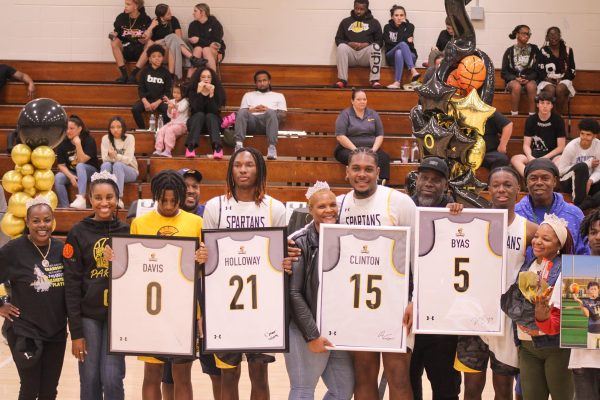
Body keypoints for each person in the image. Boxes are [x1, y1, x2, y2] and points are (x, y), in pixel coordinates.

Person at [203, 147, 287, 400]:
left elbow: (280, 258)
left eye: (249, 164)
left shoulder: (275, 208)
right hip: (225, 305)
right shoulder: (215, 207)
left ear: (259, 169)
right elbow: (207, 260)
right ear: (230, 170)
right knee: (229, 374)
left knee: (259, 374)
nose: (242, 169)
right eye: (237, 164)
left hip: (263, 305)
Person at [336, 147, 415, 399]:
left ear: (378, 172)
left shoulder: (399, 202)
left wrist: (415, 299)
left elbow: (419, 256)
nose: (362, 174)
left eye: (368, 169)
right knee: (364, 375)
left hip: (396, 304)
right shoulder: (338, 205)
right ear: (347, 172)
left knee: (398, 375)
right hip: (357, 304)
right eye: (356, 169)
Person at [455, 167, 537, 400]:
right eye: (496, 185)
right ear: (488, 189)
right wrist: (453, 212)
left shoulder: (528, 229)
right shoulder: (472, 222)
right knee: (471, 388)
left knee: (503, 389)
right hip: (473, 315)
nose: (502, 189)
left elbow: (555, 251)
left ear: (518, 190)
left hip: (507, 318)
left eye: (508, 185)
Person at [130, 170, 204, 400]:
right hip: (151, 309)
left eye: (174, 200)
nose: (169, 205)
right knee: (152, 373)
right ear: (155, 197)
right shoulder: (140, 224)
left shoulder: (196, 223)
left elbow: (204, 269)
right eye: (164, 200)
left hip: (185, 309)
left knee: (182, 374)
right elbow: (132, 269)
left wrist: (204, 257)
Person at [63, 171, 130, 400]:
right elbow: (71, 285)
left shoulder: (127, 232)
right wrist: (76, 333)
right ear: (90, 198)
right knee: (90, 379)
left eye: (109, 197)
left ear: (117, 198)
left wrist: (119, 261)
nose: (104, 202)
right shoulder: (77, 232)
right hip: (88, 316)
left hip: (118, 317)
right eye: (98, 197)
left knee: (112, 378)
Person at [285, 181, 354, 400]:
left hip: (336, 327)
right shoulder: (297, 242)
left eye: (332, 205)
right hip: (304, 328)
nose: (329, 210)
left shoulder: (348, 236)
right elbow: (294, 293)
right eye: (321, 206)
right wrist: (311, 334)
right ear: (310, 210)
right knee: (304, 389)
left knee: (343, 390)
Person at [502, 214, 575, 400]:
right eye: (536, 236)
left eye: (546, 238)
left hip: (556, 348)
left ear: (559, 245)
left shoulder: (568, 269)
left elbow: (570, 317)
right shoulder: (527, 265)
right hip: (527, 347)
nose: (537, 241)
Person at [0, 197, 67, 400]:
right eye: (36, 221)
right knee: (30, 388)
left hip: (56, 331)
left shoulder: (60, 249)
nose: (42, 226)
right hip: (24, 331)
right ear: (27, 222)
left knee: (49, 391)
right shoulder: (13, 250)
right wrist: (1, 304)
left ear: (53, 221)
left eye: (47, 220)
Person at [409, 157, 462, 400]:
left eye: (436, 180)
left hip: (443, 316)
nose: (429, 184)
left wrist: (459, 216)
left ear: (446, 185)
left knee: (445, 386)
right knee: (407, 383)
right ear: (416, 180)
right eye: (425, 178)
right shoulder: (403, 210)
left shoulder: (456, 215)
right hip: (406, 312)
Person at [515, 158, 589, 258]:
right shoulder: (515, 214)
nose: (539, 182)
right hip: (522, 273)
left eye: (545, 178)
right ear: (526, 182)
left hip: (566, 272)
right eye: (533, 178)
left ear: (554, 181)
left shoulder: (574, 214)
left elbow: (586, 253)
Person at [567, 210, 600, 399]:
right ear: (587, 237)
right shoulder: (574, 268)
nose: (598, 237)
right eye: (593, 232)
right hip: (583, 359)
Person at [334, 89, 390, 182]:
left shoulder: (373, 114)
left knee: (384, 157)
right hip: (348, 149)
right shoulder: (345, 114)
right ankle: (359, 182)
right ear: (352, 101)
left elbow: (380, 135)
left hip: (370, 148)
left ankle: (381, 183)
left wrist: (373, 150)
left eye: (364, 99)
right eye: (359, 99)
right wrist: (356, 150)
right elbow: (340, 136)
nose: (362, 102)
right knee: (358, 158)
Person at [233, 70, 287, 160]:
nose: (262, 83)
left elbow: (283, 116)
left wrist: (268, 110)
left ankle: (272, 148)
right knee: (241, 111)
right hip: (251, 122)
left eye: (264, 80)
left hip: (268, 124)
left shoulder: (279, 96)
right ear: (256, 83)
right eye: (259, 81)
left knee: (271, 112)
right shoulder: (248, 95)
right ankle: (238, 145)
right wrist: (251, 110)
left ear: (269, 81)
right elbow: (242, 114)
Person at [510, 92, 566, 178]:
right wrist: (529, 156)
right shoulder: (531, 120)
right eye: (542, 103)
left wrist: (546, 157)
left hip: (551, 157)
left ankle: (548, 180)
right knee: (515, 159)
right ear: (537, 105)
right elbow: (526, 145)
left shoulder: (558, 120)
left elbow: (561, 147)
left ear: (551, 106)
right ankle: (529, 177)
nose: (545, 106)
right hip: (533, 156)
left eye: (548, 103)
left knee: (562, 160)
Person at [333, 0, 383, 89]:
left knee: (376, 46)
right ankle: (342, 80)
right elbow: (338, 39)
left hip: (365, 56)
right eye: (356, 8)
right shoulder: (345, 22)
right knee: (341, 47)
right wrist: (349, 43)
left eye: (362, 9)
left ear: (367, 9)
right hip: (350, 55)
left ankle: (374, 81)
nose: (358, 11)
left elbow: (380, 41)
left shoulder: (374, 22)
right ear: (354, 7)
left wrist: (367, 44)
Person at [54, 115, 100, 209]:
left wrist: (78, 144)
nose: (68, 131)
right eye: (67, 128)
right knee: (58, 177)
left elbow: (82, 160)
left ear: (79, 129)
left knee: (80, 166)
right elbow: (61, 165)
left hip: (91, 172)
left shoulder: (88, 140)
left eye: (72, 128)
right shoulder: (63, 143)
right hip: (74, 172)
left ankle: (81, 198)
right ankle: (65, 207)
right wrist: (71, 177)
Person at [558, 118, 600, 209]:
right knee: (582, 167)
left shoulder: (598, 146)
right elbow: (560, 171)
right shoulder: (571, 147)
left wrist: (590, 180)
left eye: (588, 135)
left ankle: (581, 207)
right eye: (582, 134)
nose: (584, 137)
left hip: (587, 182)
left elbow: (598, 171)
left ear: (594, 136)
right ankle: (577, 204)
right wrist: (587, 164)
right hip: (567, 181)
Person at [185, 67, 225, 159]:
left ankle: (217, 148)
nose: (206, 79)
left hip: (213, 124)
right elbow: (196, 109)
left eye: (208, 77)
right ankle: (191, 147)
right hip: (196, 123)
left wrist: (211, 95)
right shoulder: (193, 91)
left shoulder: (217, 90)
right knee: (200, 114)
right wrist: (199, 92)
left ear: (212, 79)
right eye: (203, 77)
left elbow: (214, 111)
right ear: (199, 78)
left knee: (210, 116)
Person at [100, 116, 139, 209]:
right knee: (105, 165)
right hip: (114, 171)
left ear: (123, 128)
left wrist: (115, 156)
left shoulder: (130, 138)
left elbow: (128, 160)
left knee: (118, 165)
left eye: (118, 127)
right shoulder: (106, 138)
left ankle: (118, 198)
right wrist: (111, 156)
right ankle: (103, 196)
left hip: (130, 171)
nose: (115, 130)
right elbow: (104, 159)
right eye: (112, 127)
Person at [501, 25, 540, 116]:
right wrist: (515, 78)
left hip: (529, 79)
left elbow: (538, 69)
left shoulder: (534, 50)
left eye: (529, 34)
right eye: (524, 33)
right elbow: (504, 72)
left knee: (531, 86)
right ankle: (514, 115)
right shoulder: (509, 51)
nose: (527, 36)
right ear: (517, 34)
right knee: (517, 86)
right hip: (513, 80)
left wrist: (528, 78)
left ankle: (532, 116)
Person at [110, 0, 152, 83]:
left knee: (150, 43)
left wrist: (144, 38)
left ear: (136, 6)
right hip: (126, 49)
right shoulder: (121, 17)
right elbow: (116, 32)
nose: (125, 6)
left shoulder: (145, 19)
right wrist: (113, 35)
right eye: (125, 4)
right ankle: (124, 75)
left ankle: (133, 74)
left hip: (140, 52)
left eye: (128, 4)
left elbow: (147, 38)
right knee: (114, 42)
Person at [131, 44, 172, 129]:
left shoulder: (166, 72)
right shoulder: (144, 71)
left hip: (160, 101)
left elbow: (167, 91)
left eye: (159, 56)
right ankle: (142, 129)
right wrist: (145, 102)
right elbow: (141, 89)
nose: (157, 58)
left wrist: (158, 102)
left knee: (167, 109)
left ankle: (164, 129)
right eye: (154, 56)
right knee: (135, 109)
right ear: (149, 59)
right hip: (147, 99)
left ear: (162, 58)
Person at [537, 27, 576, 116]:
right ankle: (548, 116)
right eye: (551, 34)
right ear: (547, 37)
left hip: (563, 79)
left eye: (556, 34)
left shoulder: (568, 50)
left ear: (560, 36)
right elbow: (539, 69)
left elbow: (572, 69)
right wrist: (547, 79)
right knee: (550, 89)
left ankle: (558, 116)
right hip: (547, 79)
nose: (553, 37)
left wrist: (562, 79)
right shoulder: (543, 50)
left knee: (559, 89)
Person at [382, 5, 420, 89]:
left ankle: (397, 82)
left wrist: (403, 27)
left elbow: (399, 41)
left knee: (399, 52)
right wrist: (404, 41)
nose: (399, 18)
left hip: (410, 55)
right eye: (396, 15)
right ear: (392, 17)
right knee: (402, 44)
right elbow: (388, 43)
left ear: (405, 16)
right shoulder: (387, 27)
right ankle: (413, 70)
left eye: (401, 15)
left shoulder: (410, 26)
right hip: (391, 56)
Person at [187, 3, 226, 75]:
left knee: (206, 49)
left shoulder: (215, 24)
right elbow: (193, 42)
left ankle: (213, 77)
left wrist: (199, 40)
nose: (193, 13)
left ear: (203, 13)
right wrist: (205, 42)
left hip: (215, 51)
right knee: (198, 49)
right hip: (198, 51)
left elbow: (216, 43)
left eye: (195, 11)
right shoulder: (192, 25)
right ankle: (190, 80)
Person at [154, 83, 190, 157]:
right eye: (174, 92)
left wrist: (173, 105)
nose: (175, 94)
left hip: (182, 125)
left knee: (170, 130)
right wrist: (170, 108)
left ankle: (168, 151)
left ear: (183, 93)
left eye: (178, 93)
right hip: (172, 123)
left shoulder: (186, 101)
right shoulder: (172, 101)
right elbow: (169, 115)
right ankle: (158, 149)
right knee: (161, 130)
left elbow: (180, 109)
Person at [573, 282, 600, 349]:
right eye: (591, 289)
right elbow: (587, 314)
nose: (593, 290)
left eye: (595, 289)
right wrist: (580, 303)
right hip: (592, 331)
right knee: (590, 353)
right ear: (588, 290)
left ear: (598, 290)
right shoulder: (585, 301)